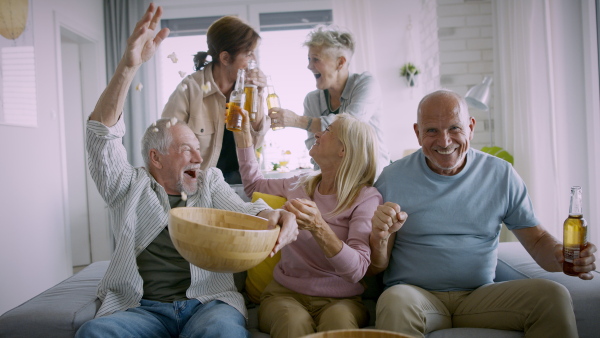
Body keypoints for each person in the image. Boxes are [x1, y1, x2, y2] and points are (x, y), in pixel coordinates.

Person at [75, 5, 298, 338]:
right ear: (156, 157)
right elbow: (102, 137)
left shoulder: (209, 182)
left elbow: (249, 212)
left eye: (199, 146)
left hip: (207, 304)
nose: (199, 157)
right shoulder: (128, 186)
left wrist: (277, 216)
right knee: (93, 334)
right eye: (186, 150)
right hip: (142, 309)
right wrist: (129, 65)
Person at [369, 89, 597, 338]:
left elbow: (538, 240)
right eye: (432, 130)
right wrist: (378, 234)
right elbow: (377, 263)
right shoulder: (392, 179)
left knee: (553, 296)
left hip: (479, 297)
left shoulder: (501, 174)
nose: (445, 141)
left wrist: (561, 256)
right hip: (415, 297)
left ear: (471, 127)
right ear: (417, 132)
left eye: (455, 128)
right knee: (394, 299)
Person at [232, 106, 382, 337]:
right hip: (284, 293)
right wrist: (243, 137)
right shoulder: (300, 183)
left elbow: (357, 270)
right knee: (293, 324)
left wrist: (318, 226)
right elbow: (253, 186)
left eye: (329, 130)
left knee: (338, 325)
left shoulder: (366, 198)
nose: (319, 133)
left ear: (344, 149)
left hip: (342, 300)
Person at [267, 25, 390, 176]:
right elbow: (315, 148)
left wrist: (297, 121)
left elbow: (349, 125)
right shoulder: (312, 100)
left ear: (340, 62)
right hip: (334, 182)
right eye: (309, 59)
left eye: (316, 59)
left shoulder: (366, 84)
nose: (309, 66)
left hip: (372, 177)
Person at [162, 15, 269, 184]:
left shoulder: (249, 90)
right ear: (225, 58)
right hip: (201, 190)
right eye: (248, 55)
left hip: (245, 187)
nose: (253, 61)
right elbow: (166, 145)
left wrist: (259, 95)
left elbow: (256, 141)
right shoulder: (190, 89)